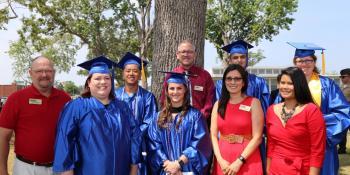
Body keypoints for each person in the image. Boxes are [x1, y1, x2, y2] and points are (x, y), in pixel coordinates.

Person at [53, 56, 141, 175]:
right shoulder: (77, 107)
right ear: (89, 82)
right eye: (97, 78)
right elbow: (64, 142)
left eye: (106, 78)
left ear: (111, 81)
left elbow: (134, 138)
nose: (103, 82)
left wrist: (134, 168)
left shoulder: (122, 108)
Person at [272, 42, 350, 175]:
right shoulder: (287, 85)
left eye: (308, 60)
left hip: (322, 143)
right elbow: (278, 114)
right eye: (300, 61)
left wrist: (316, 126)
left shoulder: (327, 85)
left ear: (314, 62)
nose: (304, 64)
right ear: (295, 63)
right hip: (294, 145)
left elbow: (343, 113)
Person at [0, 56, 71, 175]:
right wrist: (2, 171)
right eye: (39, 71)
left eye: (48, 70)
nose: (44, 74)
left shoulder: (65, 99)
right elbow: (2, 137)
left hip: (58, 169)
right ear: (30, 73)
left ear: (54, 73)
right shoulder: (16, 99)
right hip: (26, 168)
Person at [215, 40, 269, 174]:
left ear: (247, 58)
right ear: (229, 60)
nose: (239, 60)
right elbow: (219, 117)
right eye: (235, 57)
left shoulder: (259, 82)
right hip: (227, 144)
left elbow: (266, 111)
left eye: (242, 57)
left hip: (251, 142)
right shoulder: (220, 85)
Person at [266, 67, 326, 175]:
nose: (285, 87)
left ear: (299, 85)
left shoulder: (311, 110)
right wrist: (268, 169)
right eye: (282, 83)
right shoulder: (271, 110)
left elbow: (317, 150)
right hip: (275, 170)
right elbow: (271, 144)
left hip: (302, 170)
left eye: (290, 83)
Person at [148, 71, 210, 175]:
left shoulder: (195, 116)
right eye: (172, 88)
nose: (175, 92)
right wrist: (168, 165)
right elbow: (154, 144)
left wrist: (178, 164)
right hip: (165, 170)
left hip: (186, 170)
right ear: (167, 91)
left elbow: (199, 144)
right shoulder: (158, 117)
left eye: (179, 88)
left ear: (185, 90)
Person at [211, 64, 264, 175]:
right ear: (224, 82)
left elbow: (258, 137)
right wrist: (220, 160)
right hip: (223, 161)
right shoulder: (218, 104)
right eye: (229, 78)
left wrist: (239, 161)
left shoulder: (254, 103)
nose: (233, 82)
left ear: (243, 82)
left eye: (237, 79)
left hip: (247, 159)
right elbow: (213, 135)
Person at [115, 52, 158, 174]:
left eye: (135, 71)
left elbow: (150, 120)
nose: (131, 74)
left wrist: (135, 135)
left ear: (140, 75)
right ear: (123, 74)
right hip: (119, 143)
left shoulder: (148, 97)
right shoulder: (115, 96)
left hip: (141, 145)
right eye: (128, 71)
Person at [160, 40, 215, 124]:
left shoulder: (205, 76)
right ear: (177, 55)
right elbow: (164, 100)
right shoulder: (170, 76)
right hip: (176, 124)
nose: (186, 55)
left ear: (194, 55)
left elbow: (210, 100)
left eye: (190, 52)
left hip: (200, 123)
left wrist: (200, 117)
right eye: (183, 52)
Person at [338, 68, 350, 154]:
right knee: (342, 131)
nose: (342, 79)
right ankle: (342, 149)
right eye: (341, 77)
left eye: (343, 77)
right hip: (343, 112)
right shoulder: (341, 87)